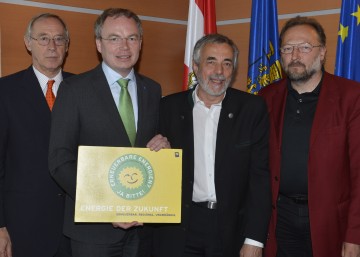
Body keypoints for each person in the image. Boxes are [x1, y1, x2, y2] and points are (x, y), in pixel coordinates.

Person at [48, 8, 169, 257]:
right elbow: (60, 160)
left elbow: (152, 152)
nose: (124, 46)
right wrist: (107, 208)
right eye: (114, 38)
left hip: (143, 230)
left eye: (132, 38)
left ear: (140, 43)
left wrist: (164, 150)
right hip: (93, 232)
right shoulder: (74, 90)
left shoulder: (153, 90)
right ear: (99, 44)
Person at [152, 34, 271, 257]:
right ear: (196, 67)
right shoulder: (168, 107)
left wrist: (254, 239)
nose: (219, 71)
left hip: (231, 228)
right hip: (180, 227)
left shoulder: (251, 109)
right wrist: (157, 152)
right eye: (211, 61)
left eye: (227, 63)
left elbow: (260, 178)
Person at [259, 16, 360, 257]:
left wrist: (354, 235)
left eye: (304, 47)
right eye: (287, 48)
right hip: (279, 218)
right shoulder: (266, 97)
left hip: (330, 222)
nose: (295, 56)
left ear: (322, 52)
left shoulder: (351, 97)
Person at [0, 13, 72, 257]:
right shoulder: (4, 92)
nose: (52, 46)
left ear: (67, 45)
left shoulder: (85, 89)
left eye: (59, 39)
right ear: (28, 43)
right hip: (23, 228)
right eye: (43, 38)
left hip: (77, 229)